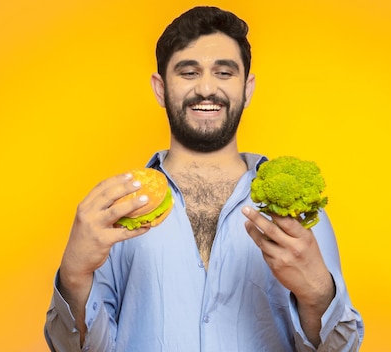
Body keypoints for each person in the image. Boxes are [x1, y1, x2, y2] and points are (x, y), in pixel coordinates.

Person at [45, 6, 364, 352]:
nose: (207, 87)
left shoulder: (297, 213)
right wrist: (74, 276)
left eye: (224, 72)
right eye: (189, 72)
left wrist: (318, 295)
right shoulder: (115, 210)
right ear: (160, 88)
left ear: (248, 88)